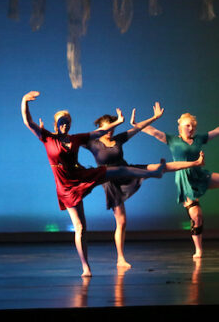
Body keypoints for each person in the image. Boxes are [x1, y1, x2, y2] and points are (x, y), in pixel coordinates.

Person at [21, 91, 166, 277]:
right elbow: (28, 121)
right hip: (66, 188)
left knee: (117, 170)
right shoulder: (47, 137)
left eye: (67, 122)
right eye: (61, 122)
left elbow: (100, 132)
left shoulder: (76, 139)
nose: (65, 125)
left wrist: (118, 122)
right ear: (55, 124)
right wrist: (25, 100)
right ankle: (85, 267)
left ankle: (154, 173)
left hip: (81, 175)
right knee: (80, 228)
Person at [83, 101, 206, 268]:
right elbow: (70, 141)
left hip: (126, 172)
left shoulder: (118, 139)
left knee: (157, 167)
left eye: (113, 127)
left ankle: (194, 163)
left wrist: (154, 117)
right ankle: (120, 258)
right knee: (122, 222)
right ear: (99, 128)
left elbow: (137, 128)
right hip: (109, 181)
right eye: (107, 128)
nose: (110, 131)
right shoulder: (92, 142)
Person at [139, 110, 219, 260]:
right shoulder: (173, 140)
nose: (191, 128)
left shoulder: (198, 139)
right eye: (188, 125)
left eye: (193, 126)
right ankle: (198, 250)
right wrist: (138, 125)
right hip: (185, 180)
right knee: (197, 216)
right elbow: (153, 132)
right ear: (180, 127)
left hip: (199, 175)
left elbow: (217, 131)